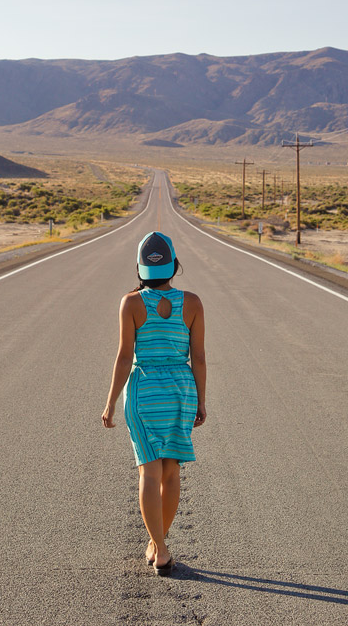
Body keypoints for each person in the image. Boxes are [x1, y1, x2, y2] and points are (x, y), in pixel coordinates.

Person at [102, 231, 206, 575]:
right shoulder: (191, 303)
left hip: (144, 390)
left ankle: (159, 547)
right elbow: (200, 359)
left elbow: (123, 357)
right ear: (175, 266)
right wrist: (201, 402)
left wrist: (111, 403)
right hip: (180, 391)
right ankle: (159, 544)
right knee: (171, 471)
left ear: (139, 268)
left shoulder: (130, 303)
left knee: (149, 470)